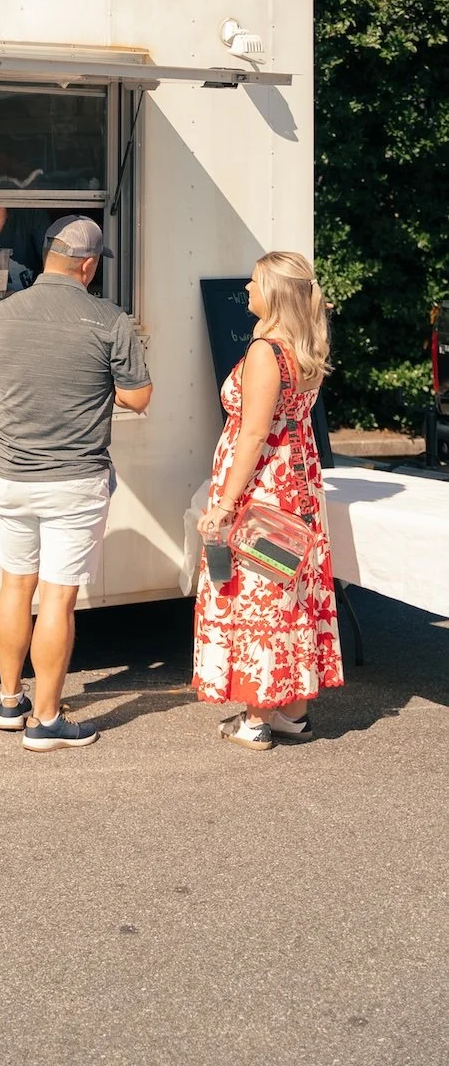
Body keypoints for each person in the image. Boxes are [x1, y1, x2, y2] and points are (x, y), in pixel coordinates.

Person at [0, 215, 152, 750]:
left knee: (14, 585)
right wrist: (101, 385)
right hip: (75, 480)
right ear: (89, 265)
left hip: (13, 476)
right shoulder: (109, 320)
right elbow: (139, 397)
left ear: (49, 254)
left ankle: (10, 702)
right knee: (57, 598)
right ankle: (47, 721)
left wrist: (3, 452)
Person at [194, 251, 343, 749]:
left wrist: (223, 504)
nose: (247, 291)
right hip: (298, 483)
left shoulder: (266, 352)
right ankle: (293, 712)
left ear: (275, 293)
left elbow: (253, 434)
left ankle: (256, 718)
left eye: (255, 283)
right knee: (290, 592)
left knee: (258, 593)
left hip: (263, 488)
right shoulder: (306, 346)